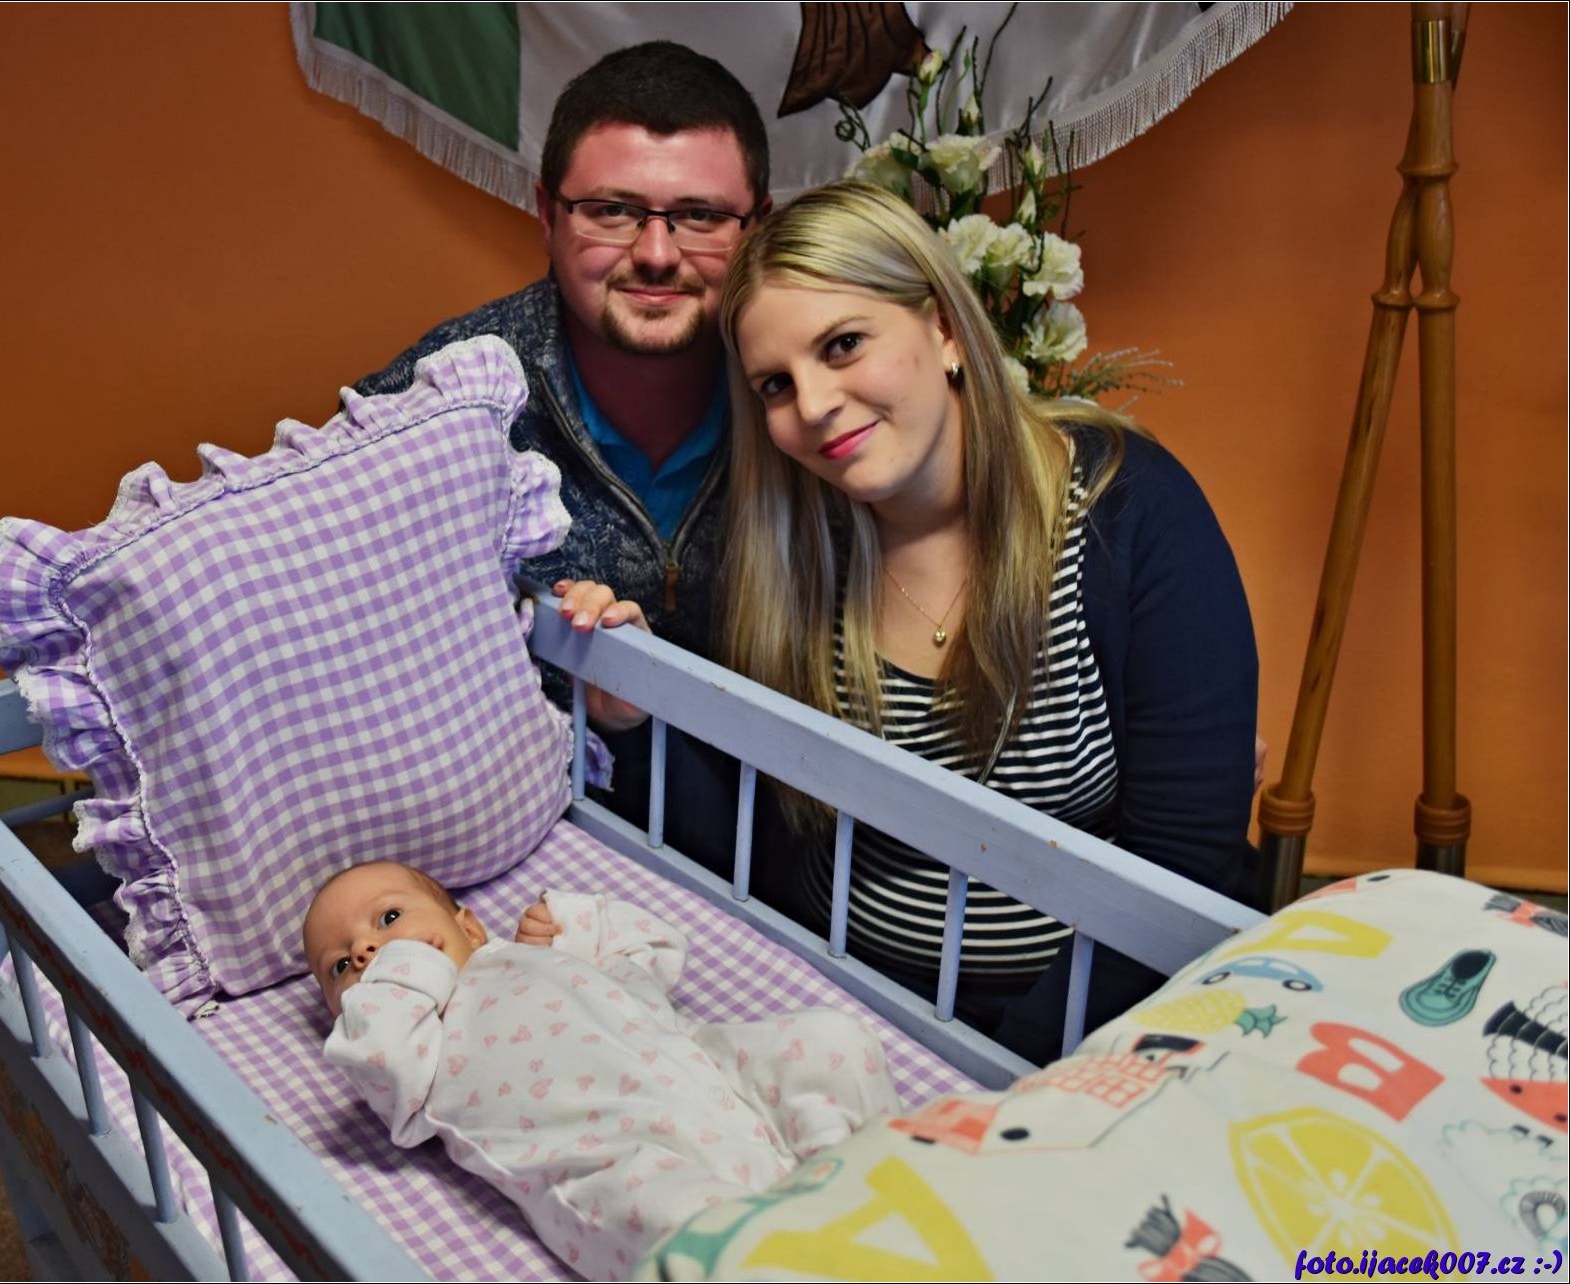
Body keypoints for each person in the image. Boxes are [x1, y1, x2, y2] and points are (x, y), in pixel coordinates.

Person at [559, 180, 1261, 1064]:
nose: (813, 405)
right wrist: (634, 716)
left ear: (945, 328)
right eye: (776, 385)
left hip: (1088, 1031)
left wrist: (987, 1076)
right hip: (849, 1006)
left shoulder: (1130, 512)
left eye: (843, 345)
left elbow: (1183, 869)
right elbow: (756, 838)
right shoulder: (796, 554)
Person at [347, 42, 773, 852]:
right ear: (546, 214)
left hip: (784, 852)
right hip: (515, 842)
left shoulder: (808, 393)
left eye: (701, 217)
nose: (656, 254)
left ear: (760, 226)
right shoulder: (434, 407)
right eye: (612, 210)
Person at [303, 860, 900, 1282]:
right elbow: (380, 1059)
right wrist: (401, 973)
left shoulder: (534, 956)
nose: (364, 952)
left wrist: (575, 924)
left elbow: (653, 951)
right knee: (683, 1225)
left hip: (709, 1070)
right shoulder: (413, 1046)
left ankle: (867, 1179)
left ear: (469, 927)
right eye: (339, 968)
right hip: (610, 1154)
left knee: (832, 1041)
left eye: (388, 918)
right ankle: (797, 1259)